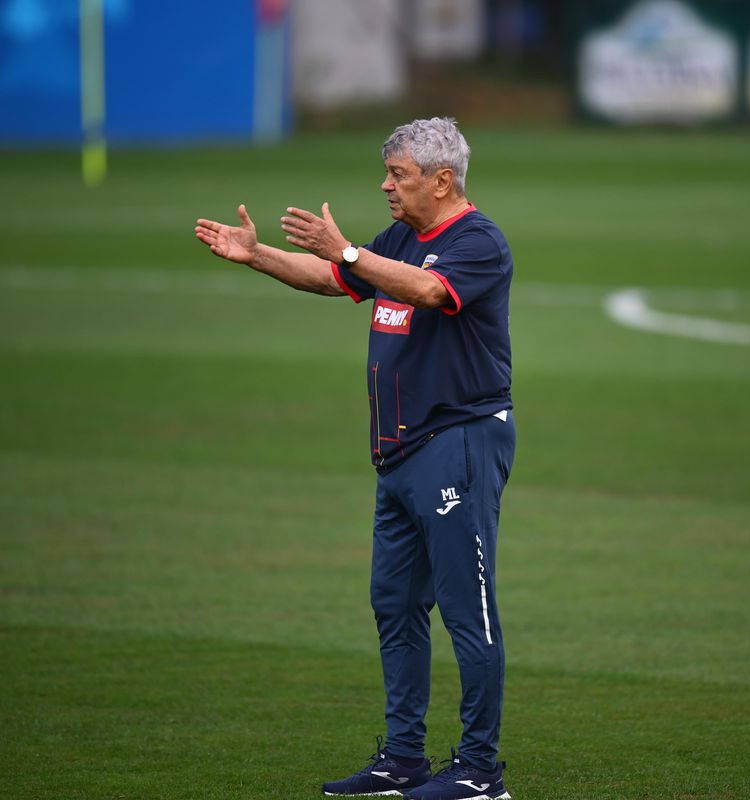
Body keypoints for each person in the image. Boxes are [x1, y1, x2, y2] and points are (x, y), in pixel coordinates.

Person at [194, 117, 515, 800]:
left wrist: (348, 252)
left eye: (397, 174)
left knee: (467, 608)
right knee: (395, 605)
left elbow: (428, 292)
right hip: (398, 454)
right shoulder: (402, 239)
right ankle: (403, 758)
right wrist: (257, 256)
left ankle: (482, 771)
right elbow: (336, 277)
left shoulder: (478, 241)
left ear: (442, 179)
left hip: (456, 442)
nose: (385, 184)